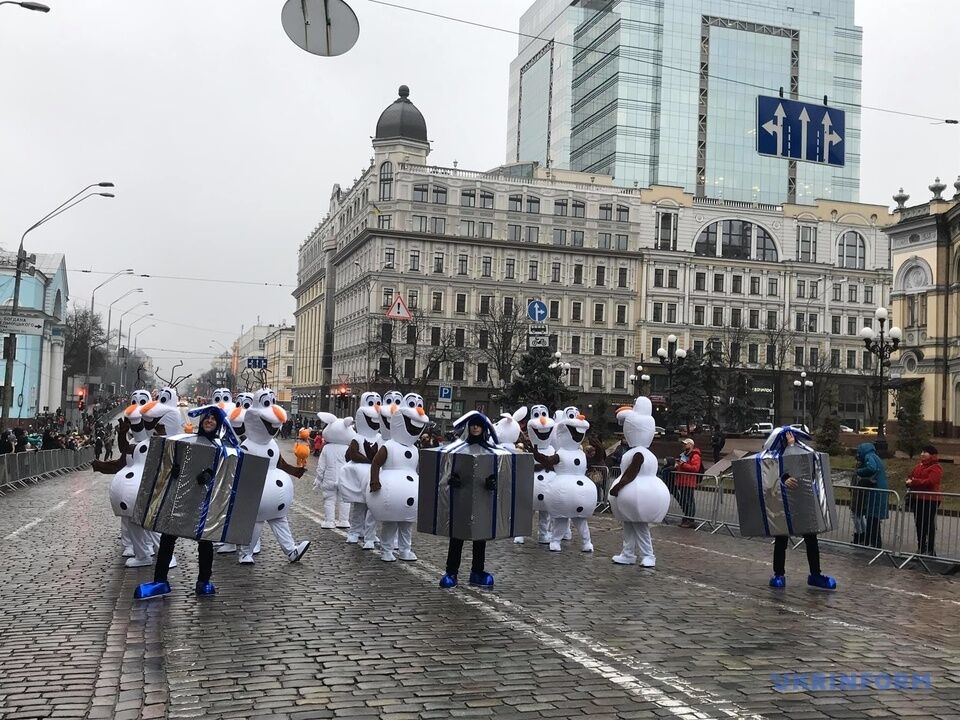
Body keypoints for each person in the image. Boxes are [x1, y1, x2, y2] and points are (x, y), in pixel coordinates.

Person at [133, 408, 226, 600]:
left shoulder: (222, 447)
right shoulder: (187, 441)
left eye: (213, 419)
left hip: (204, 502)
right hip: (180, 499)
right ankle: (160, 580)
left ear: (218, 424)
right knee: (167, 538)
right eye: (206, 418)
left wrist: (210, 475)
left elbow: (226, 472)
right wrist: (173, 470)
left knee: (206, 542)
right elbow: (172, 459)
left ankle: (203, 580)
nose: (209, 421)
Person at [440, 416, 495, 588]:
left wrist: (492, 483)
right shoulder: (458, 449)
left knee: (480, 537)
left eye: (479, 425)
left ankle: (477, 571)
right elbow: (446, 472)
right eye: (473, 425)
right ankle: (451, 571)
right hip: (461, 498)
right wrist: (452, 480)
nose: (476, 428)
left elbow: (498, 472)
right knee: (457, 536)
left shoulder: (491, 451)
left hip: (482, 499)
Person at [906, 445, 942, 556]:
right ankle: (921, 546)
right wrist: (908, 481)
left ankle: (930, 549)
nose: (922, 454)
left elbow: (931, 482)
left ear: (932, 455)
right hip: (918, 498)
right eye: (921, 451)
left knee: (928, 523)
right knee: (919, 523)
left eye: (925, 452)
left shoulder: (936, 467)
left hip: (930, 499)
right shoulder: (919, 466)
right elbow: (910, 476)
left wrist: (914, 482)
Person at [854, 442, 888, 548]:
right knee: (873, 518)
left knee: (872, 517)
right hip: (880, 489)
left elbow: (871, 468)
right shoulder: (875, 456)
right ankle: (873, 541)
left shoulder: (869, 456)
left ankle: (874, 542)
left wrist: (859, 471)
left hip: (875, 491)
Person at [672, 438, 702, 527]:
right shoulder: (684, 455)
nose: (684, 445)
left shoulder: (695, 456)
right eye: (684, 444)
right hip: (682, 481)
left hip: (688, 482)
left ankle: (690, 520)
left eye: (686, 444)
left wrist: (682, 465)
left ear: (691, 445)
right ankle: (686, 518)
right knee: (685, 501)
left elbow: (695, 468)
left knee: (689, 501)